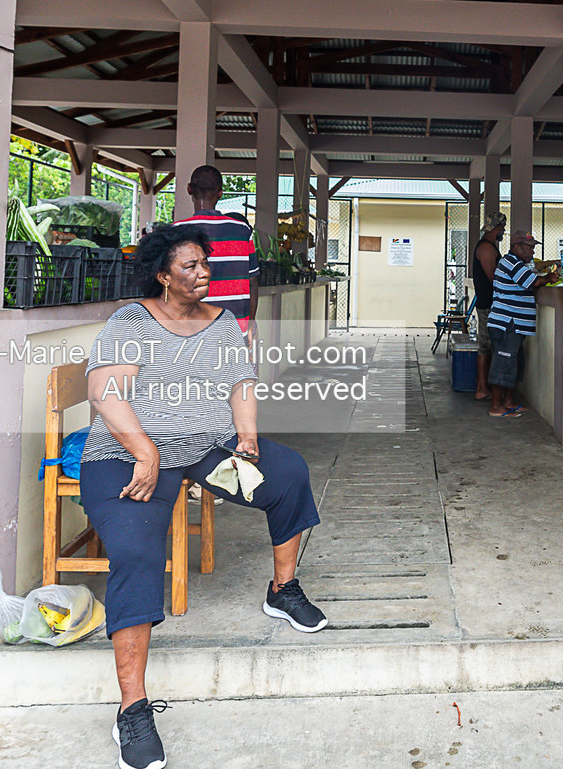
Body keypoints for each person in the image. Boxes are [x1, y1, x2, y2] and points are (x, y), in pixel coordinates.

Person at [79, 223, 327, 769]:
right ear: (163, 276)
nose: (203, 274)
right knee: (138, 552)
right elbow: (103, 390)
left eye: (205, 265)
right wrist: (144, 450)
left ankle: (283, 591)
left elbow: (240, 382)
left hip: (203, 452)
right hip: (126, 458)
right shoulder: (132, 320)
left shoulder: (221, 323)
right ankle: (133, 710)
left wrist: (247, 433)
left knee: (287, 476)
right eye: (189, 266)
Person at [174, 165, 259, 332]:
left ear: (189, 189)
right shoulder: (242, 231)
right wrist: (251, 325)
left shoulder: (175, 233)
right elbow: (252, 282)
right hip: (234, 330)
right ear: (220, 193)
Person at [485, 229, 555, 417]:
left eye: (533, 248)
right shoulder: (510, 262)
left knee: (514, 363)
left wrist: (543, 279)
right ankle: (495, 406)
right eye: (529, 248)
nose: (532, 252)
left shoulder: (517, 264)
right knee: (503, 363)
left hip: (514, 324)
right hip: (506, 323)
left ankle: (508, 401)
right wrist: (548, 278)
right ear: (516, 247)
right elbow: (531, 282)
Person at [471, 211, 506, 400]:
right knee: (485, 346)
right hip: (487, 305)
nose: (504, 231)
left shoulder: (488, 246)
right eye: (502, 227)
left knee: (487, 346)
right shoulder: (486, 248)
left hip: (488, 303)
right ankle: (482, 388)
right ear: (497, 228)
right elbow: (493, 277)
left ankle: (482, 385)